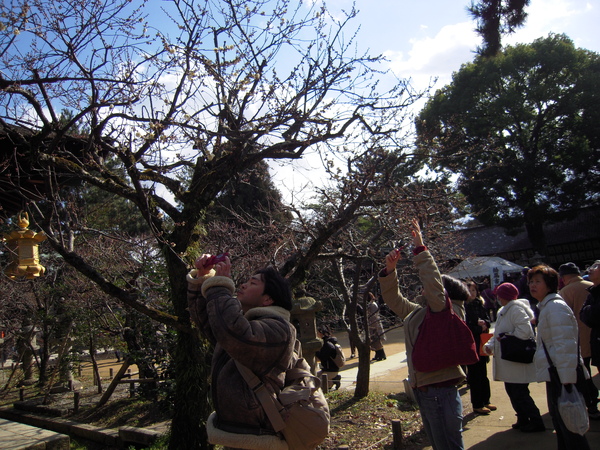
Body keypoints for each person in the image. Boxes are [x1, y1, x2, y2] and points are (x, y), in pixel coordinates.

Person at [187, 255, 295, 450]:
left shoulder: (279, 330)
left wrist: (220, 285)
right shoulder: (244, 326)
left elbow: (230, 329)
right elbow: (209, 321)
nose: (243, 285)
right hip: (238, 434)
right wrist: (203, 277)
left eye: (252, 283)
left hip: (260, 437)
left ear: (268, 299)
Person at [379, 218, 468, 450]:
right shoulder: (422, 313)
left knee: (448, 445)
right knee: (441, 445)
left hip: (440, 391)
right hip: (425, 390)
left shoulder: (446, 310)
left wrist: (420, 248)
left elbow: (433, 283)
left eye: (429, 288)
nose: (422, 290)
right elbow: (395, 301)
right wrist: (390, 271)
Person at [529, 264, 591, 449]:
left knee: (571, 427)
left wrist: (566, 381)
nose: (533, 285)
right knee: (564, 425)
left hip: (563, 375)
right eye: (531, 281)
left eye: (538, 281)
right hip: (558, 373)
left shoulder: (554, 307)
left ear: (549, 284)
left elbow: (565, 345)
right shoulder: (548, 306)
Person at [483, 282, 545, 432]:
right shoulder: (504, 310)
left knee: (520, 393)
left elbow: (525, 331)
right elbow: (498, 332)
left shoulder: (516, 309)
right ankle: (523, 418)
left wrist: (505, 338)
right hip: (509, 360)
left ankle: (536, 420)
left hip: (516, 359)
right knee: (513, 392)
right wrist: (490, 344)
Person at [559, 262, 599, 419]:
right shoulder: (591, 286)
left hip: (578, 339)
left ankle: (591, 404)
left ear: (563, 278)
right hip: (594, 336)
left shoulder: (565, 292)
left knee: (584, 374)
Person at [464, 280, 495, 415]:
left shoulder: (480, 304)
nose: (471, 293)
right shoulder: (463, 307)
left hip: (482, 341)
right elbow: (465, 327)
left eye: (473, 290)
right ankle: (477, 404)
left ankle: (486, 400)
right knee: (475, 375)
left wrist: (485, 324)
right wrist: (478, 327)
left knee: (483, 374)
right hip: (471, 343)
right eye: (468, 290)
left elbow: (488, 319)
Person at [316, 326, 342, 390]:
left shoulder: (327, 345)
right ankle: (333, 380)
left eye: (317, 333)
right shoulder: (327, 342)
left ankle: (334, 380)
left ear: (321, 333)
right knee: (313, 377)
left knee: (318, 384)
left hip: (331, 370)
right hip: (327, 369)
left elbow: (323, 357)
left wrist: (315, 352)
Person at [367, 292, 387, 361]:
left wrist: (374, 326)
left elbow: (374, 316)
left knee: (377, 341)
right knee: (374, 342)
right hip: (372, 325)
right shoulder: (370, 305)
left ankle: (382, 355)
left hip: (374, 324)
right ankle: (378, 354)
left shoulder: (372, 305)